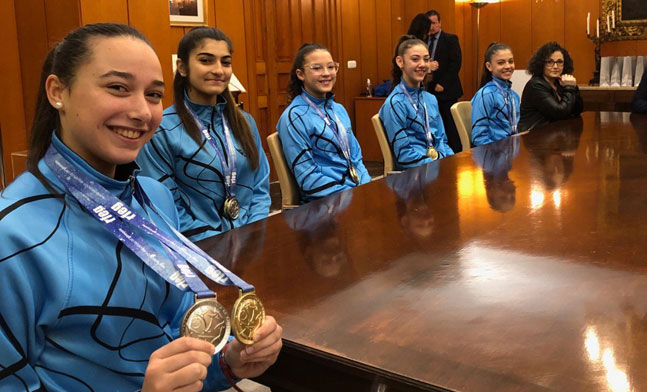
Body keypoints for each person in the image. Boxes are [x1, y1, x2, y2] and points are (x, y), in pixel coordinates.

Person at [0, 23, 282, 391]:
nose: (142, 111)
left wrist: (228, 361)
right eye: (117, 87)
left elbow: (177, 336)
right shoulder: (12, 237)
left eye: (152, 94)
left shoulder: (152, 197)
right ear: (58, 92)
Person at [137, 27, 270, 241]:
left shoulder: (245, 122)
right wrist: (218, 245)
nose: (219, 70)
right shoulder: (162, 129)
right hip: (200, 248)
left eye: (225, 62)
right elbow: (166, 206)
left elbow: (260, 185)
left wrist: (253, 233)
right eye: (206, 61)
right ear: (182, 67)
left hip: (252, 240)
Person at [277, 43, 371, 203]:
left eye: (331, 67)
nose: (326, 73)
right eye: (317, 68)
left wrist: (366, 189)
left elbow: (356, 158)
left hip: (352, 194)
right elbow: (308, 178)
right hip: (323, 204)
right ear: (300, 74)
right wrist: (352, 197)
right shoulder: (294, 117)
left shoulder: (338, 109)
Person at [379, 35, 454, 170]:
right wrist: (438, 166)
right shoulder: (395, 104)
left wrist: (452, 163)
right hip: (414, 176)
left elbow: (442, 140)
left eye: (426, 59)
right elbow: (404, 155)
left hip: (436, 166)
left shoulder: (430, 99)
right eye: (415, 59)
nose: (422, 64)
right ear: (400, 62)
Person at [518, 41, 583, 132]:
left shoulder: (559, 82)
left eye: (560, 62)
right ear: (542, 64)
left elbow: (577, 110)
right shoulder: (535, 85)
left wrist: (573, 87)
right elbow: (559, 113)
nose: (555, 66)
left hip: (553, 134)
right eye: (550, 62)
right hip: (533, 136)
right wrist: (569, 88)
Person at [425, 10, 464, 153]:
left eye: (434, 23)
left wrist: (443, 83)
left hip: (447, 90)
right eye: (429, 24)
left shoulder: (450, 39)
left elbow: (456, 63)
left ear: (440, 23)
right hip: (428, 90)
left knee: (450, 124)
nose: (431, 27)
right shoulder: (423, 41)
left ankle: (455, 153)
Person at [471, 43, 521, 147]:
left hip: (511, 153)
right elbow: (478, 137)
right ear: (489, 66)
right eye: (501, 63)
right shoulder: (486, 95)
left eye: (511, 61)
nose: (507, 66)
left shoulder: (514, 96)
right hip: (492, 156)